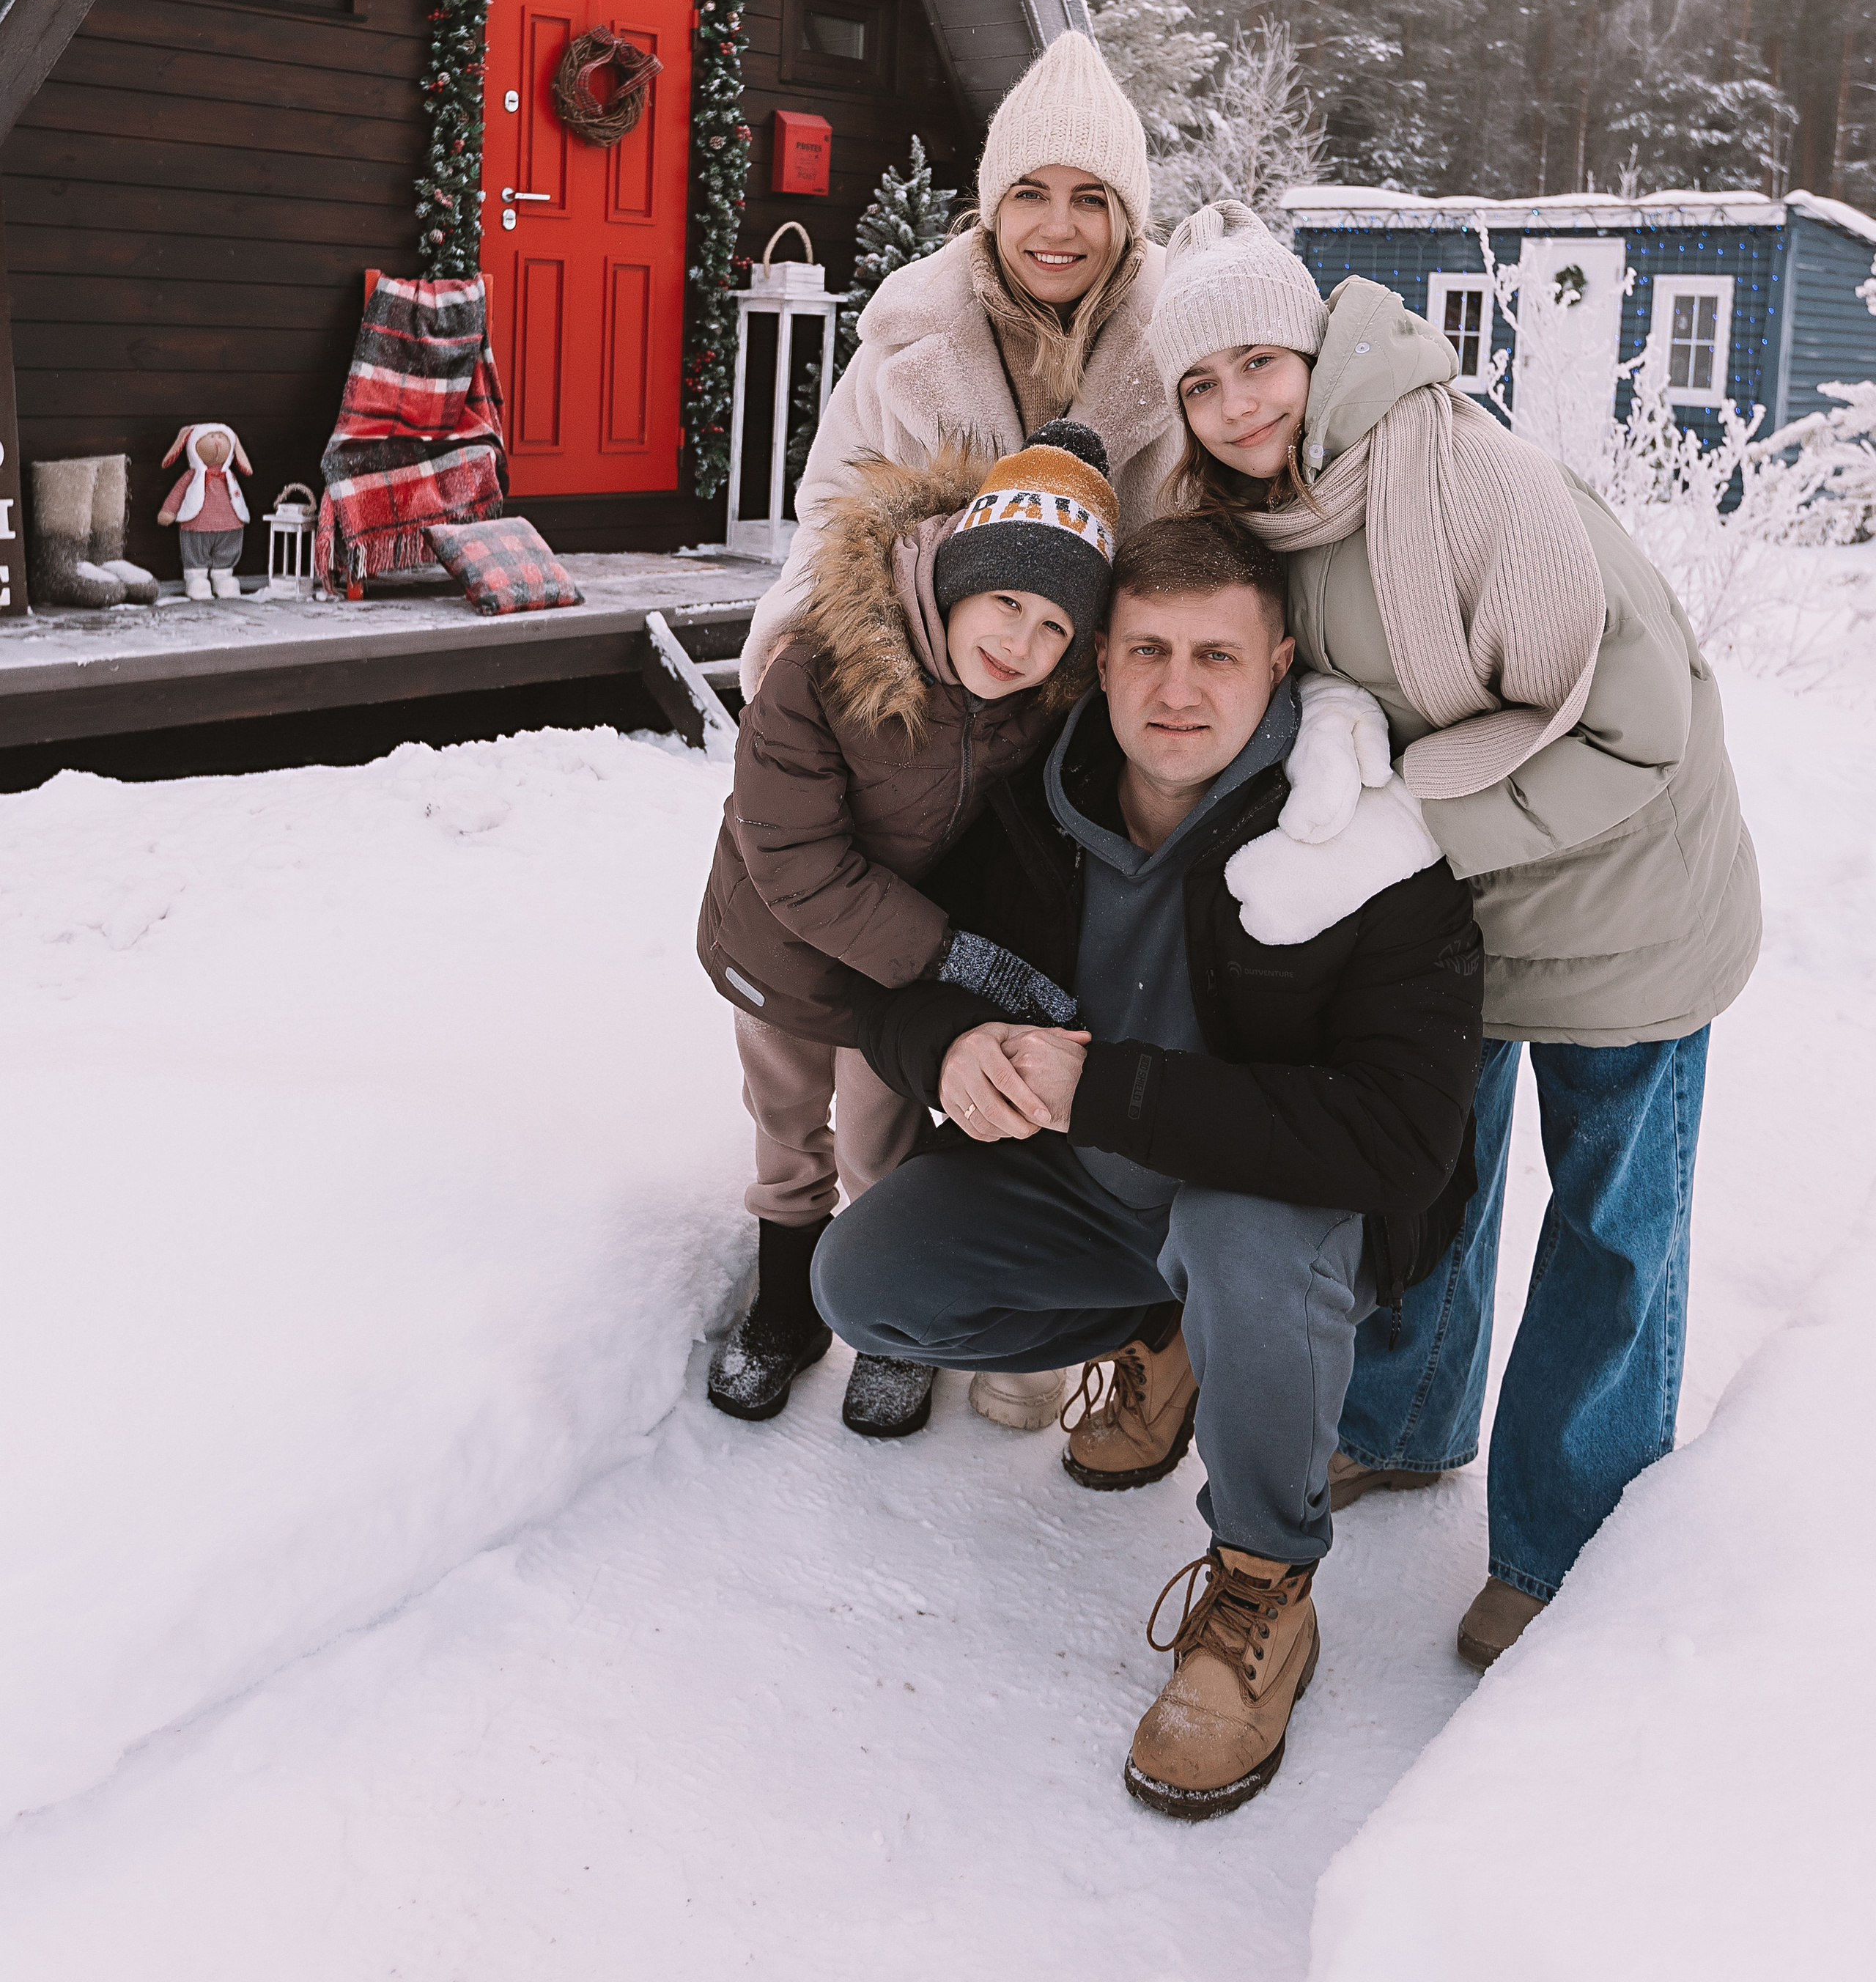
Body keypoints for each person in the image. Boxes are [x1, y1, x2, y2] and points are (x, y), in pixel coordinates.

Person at [1147, 201, 1761, 1667]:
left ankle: (1564, 1536)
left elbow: (1634, 731)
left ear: (1311, 346)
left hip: (1625, 887)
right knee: (1428, 1174)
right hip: (1460, 911)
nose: (1235, 404)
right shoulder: (1265, 516)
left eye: (1257, 361)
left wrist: (1408, 821)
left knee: (1610, 1223)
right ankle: (1403, 1420)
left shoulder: (1468, 477)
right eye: (1198, 381)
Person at [812, 515, 1482, 1818]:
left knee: (1236, 1234)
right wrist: (947, 1048)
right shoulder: (1028, 807)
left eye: (1218, 658)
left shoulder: (1368, 846)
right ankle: (1178, 1335)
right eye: (1150, 652)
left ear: (1279, 665)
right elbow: (887, 985)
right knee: (867, 1281)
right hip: (1091, 1192)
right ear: (1103, 662)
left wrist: (1112, 1088)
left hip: (1277, 1216)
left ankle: (1262, 1587)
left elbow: (1404, 1137)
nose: (1179, 691)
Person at [698, 422, 1119, 1439]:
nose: (1019, 643)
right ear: (958, 574)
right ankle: (787, 1308)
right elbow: (795, 862)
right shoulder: (823, 664)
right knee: (788, 1127)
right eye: (1007, 601)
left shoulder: (1029, 707)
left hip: (891, 982)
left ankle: (887, 1322)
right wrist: (953, 954)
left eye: (1053, 628)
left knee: (881, 1143)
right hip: (781, 947)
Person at [738, 28, 1181, 704]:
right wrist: (791, 643)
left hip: (1118, 707)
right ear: (994, 206)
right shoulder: (908, 339)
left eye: (1089, 199)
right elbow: (833, 513)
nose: (1057, 227)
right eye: (1031, 194)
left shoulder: (1187, 349)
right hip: (940, 709)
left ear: (1126, 218)